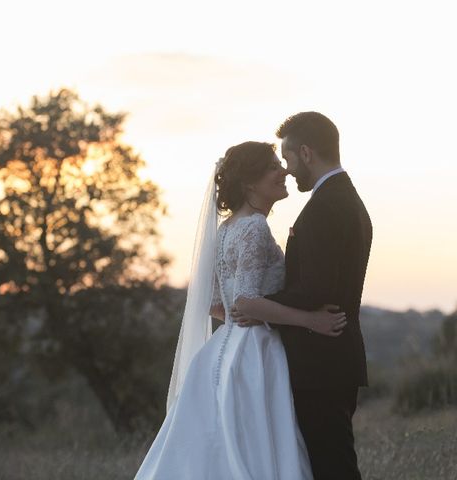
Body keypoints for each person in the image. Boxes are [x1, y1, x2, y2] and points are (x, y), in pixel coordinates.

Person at [135, 141, 347, 479]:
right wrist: (310, 320)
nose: (283, 172)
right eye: (272, 168)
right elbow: (245, 302)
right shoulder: (253, 227)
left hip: (225, 349)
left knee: (225, 445)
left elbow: (218, 305)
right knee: (258, 447)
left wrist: (244, 317)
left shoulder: (228, 228)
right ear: (250, 183)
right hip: (254, 354)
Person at [234, 112, 372, 479]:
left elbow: (315, 290)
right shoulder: (342, 197)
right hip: (329, 359)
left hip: (321, 362)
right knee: (327, 463)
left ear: (307, 153)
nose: (288, 170)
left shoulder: (327, 206)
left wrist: (259, 308)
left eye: (289, 159)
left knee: (333, 467)